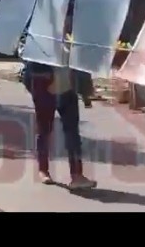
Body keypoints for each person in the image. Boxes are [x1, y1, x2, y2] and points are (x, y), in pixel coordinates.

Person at [21, 59, 96, 189]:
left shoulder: (73, 47)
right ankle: (43, 170)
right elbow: (29, 71)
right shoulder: (42, 49)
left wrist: (86, 93)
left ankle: (77, 175)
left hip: (68, 92)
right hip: (45, 92)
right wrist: (37, 91)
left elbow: (82, 67)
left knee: (73, 133)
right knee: (44, 131)